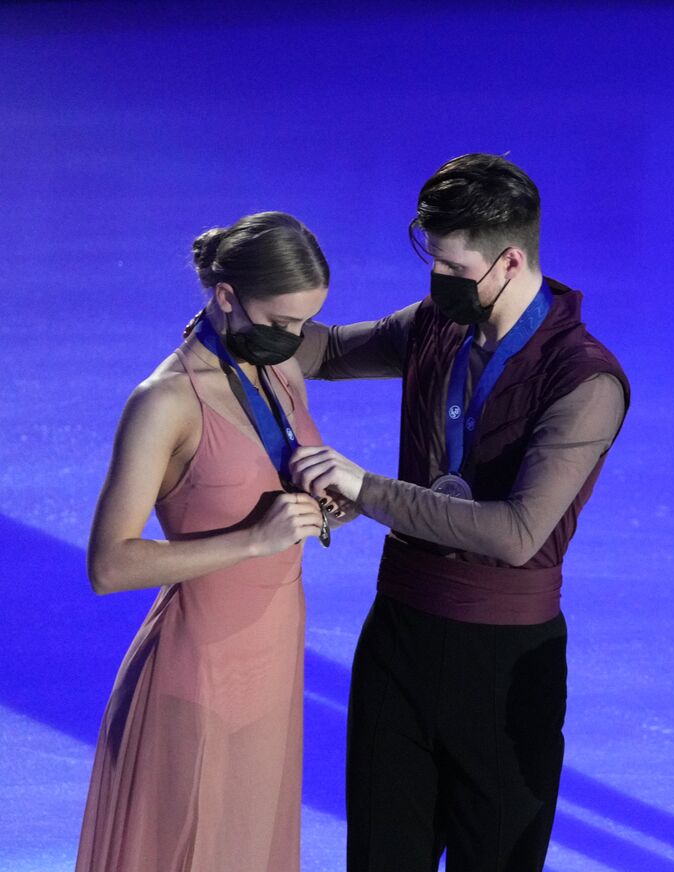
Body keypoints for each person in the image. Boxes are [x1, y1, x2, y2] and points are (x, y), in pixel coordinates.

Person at [286, 153, 629, 871]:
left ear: (510, 261)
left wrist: (363, 487)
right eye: (431, 261)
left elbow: (514, 533)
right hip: (399, 644)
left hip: (505, 670)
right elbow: (327, 352)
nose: (437, 280)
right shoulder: (436, 323)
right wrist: (258, 311)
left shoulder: (586, 379)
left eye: (452, 268)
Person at [78, 212, 338, 871]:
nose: (295, 338)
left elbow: (287, 505)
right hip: (201, 674)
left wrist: (333, 504)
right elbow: (109, 564)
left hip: (274, 660)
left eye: (304, 323)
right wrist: (255, 540)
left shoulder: (277, 374)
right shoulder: (164, 402)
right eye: (280, 322)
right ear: (226, 297)